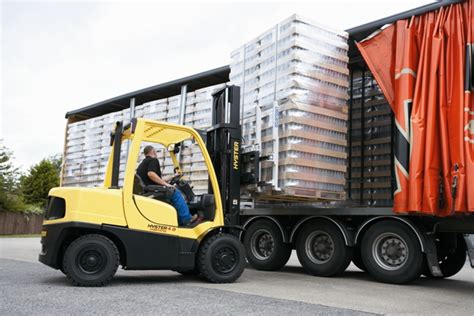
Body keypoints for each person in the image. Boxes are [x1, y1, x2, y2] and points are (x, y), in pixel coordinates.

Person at [136, 145, 198, 226]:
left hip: (150, 189)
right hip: (152, 190)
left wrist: (173, 176)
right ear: (153, 152)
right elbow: (151, 174)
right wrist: (166, 185)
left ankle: (178, 220)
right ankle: (187, 219)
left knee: (171, 190)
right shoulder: (153, 160)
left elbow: (157, 179)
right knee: (175, 192)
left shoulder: (143, 164)